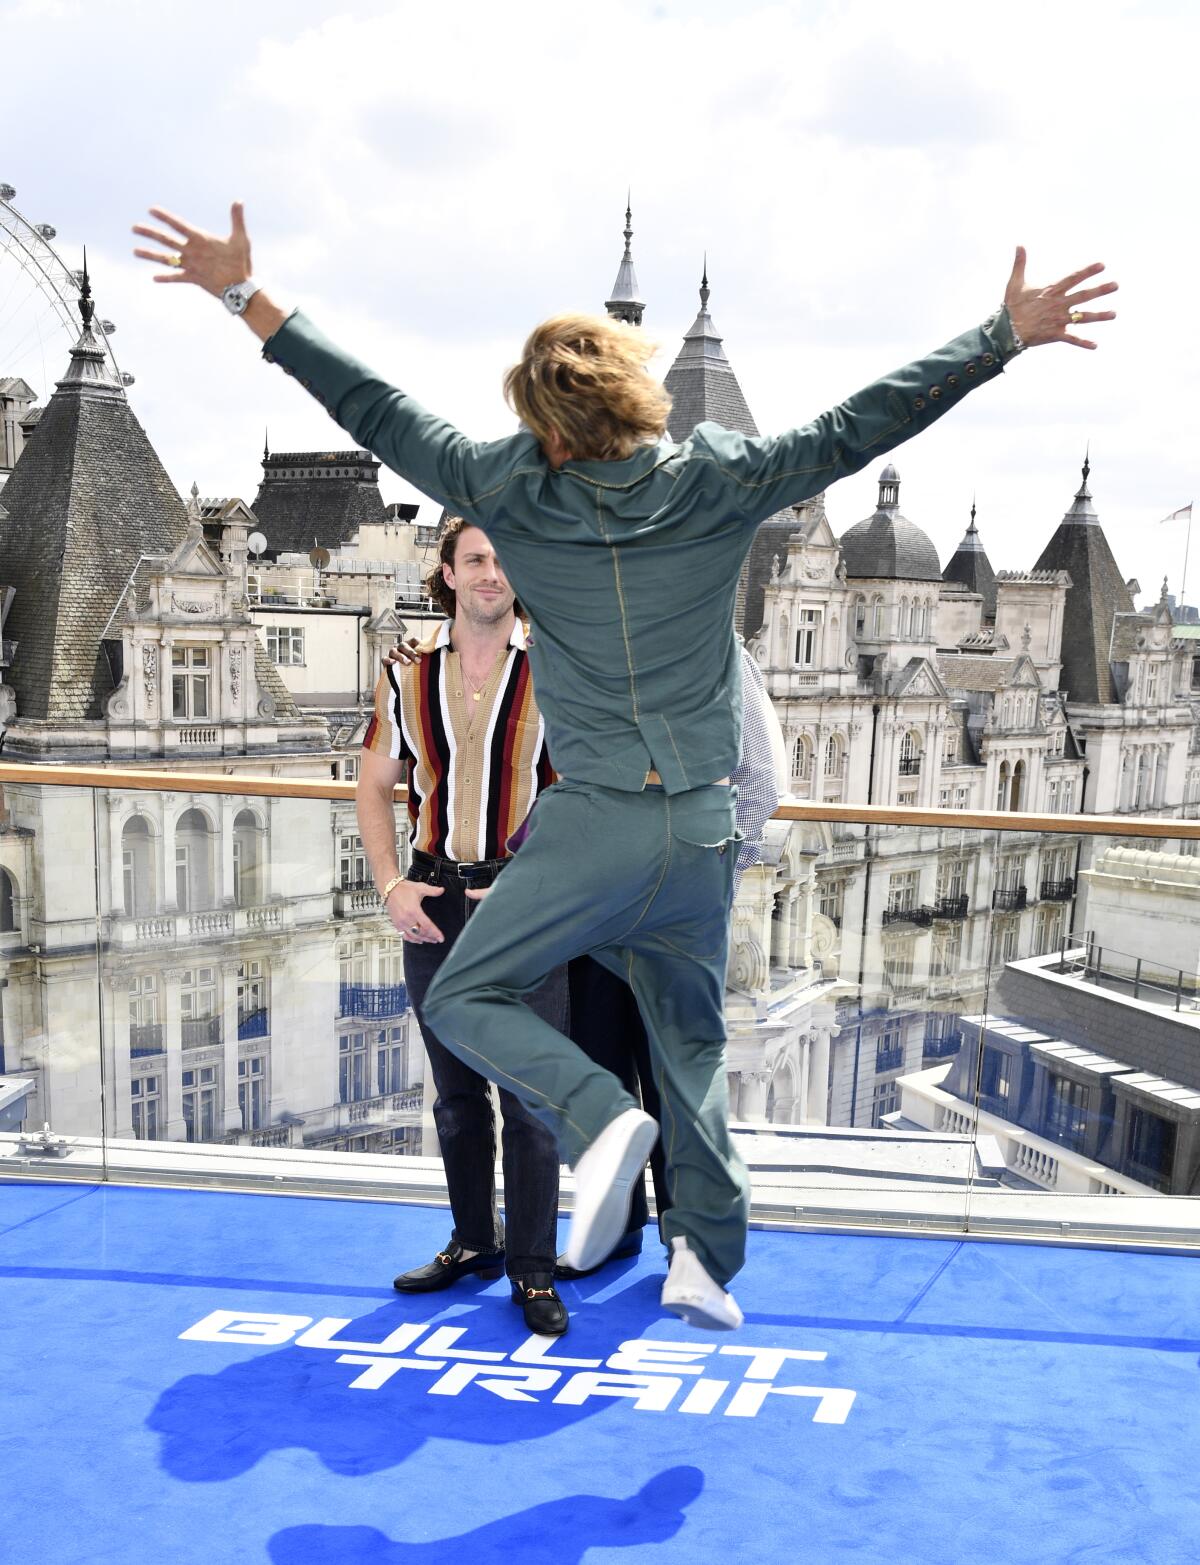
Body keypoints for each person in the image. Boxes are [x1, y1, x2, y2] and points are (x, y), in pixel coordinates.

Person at [133, 201, 1116, 1330]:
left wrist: (244, 294)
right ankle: (703, 1255)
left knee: (464, 990)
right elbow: (862, 423)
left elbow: (372, 407)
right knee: (691, 1043)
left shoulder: (510, 489)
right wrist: (998, 336)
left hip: (595, 824)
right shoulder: (718, 481)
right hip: (699, 827)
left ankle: (603, 1116)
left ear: (545, 423)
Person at [357, 516, 569, 1336]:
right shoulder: (405, 673)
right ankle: (474, 1242)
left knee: (530, 1098)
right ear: (446, 572)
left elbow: (586, 795)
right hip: (434, 903)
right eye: (476, 559)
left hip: (523, 908)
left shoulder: (556, 671)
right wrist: (390, 885)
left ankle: (534, 1270)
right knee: (454, 1097)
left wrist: (536, 881)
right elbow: (376, 788)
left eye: (504, 560)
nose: (492, 573)